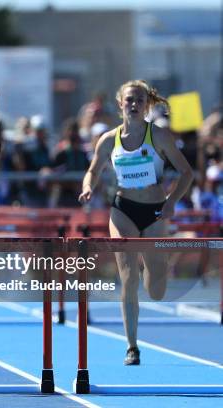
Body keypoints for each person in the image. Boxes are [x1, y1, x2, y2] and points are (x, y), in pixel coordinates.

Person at [79, 80, 194, 365]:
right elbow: (93, 170)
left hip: (155, 211)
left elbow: (186, 173)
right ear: (120, 104)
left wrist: (170, 202)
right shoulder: (108, 139)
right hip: (123, 211)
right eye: (129, 99)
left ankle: (157, 266)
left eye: (139, 100)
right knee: (128, 277)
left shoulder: (159, 136)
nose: (134, 104)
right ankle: (132, 346)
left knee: (156, 290)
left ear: (147, 105)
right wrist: (88, 186)